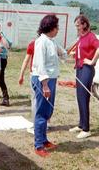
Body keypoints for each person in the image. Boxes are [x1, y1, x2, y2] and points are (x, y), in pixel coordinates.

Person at [31, 14, 66, 157]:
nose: (58, 30)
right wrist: (45, 85)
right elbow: (40, 66)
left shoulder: (52, 41)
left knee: (47, 112)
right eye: (56, 27)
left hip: (52, 79)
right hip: (42, 80)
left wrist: (63, 52)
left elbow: (63, 54)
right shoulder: (41, 42)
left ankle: (44, 140)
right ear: (50, 28)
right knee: (41, 111)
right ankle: (38, 145)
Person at [69, 14, 99, 139]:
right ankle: (81, 124)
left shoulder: (91, 36)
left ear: (84, 24)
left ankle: (86, 129)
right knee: (79, 97)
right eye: (76, 26)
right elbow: (81, 51)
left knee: (84, 97)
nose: (77, 28)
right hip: (79, 68)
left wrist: (92, 61)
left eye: (78, 25)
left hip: (86, 70)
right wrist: (75, 54)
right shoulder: (81, 37)